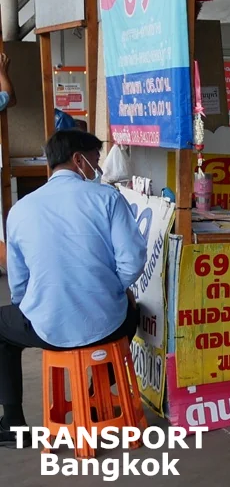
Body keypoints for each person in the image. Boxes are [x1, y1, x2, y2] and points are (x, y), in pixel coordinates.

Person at [0, 130, 146, 444]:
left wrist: (37, 308)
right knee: (133, 310)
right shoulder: (107, 198)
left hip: (45, 330)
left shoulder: (20, 210)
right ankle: (96, 396)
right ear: (78, 160)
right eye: (96, 160)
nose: (99, 169)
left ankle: (12, 423)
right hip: (108, 327)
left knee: (1, 328)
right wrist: (114, 289)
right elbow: (133, 260)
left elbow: (19, 283)